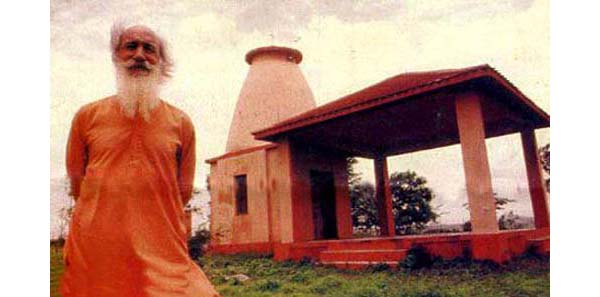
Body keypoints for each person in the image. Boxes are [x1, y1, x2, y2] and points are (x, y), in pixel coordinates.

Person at [60, 24, 220, 297]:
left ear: (161, 62)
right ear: (116, 56)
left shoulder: (181, 123)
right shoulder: (87, 116)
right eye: (131, 46)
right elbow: (78, 182)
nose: (139, 55)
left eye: (149, 49)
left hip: (162, 247)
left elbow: (181, 191)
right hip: (97, 247)